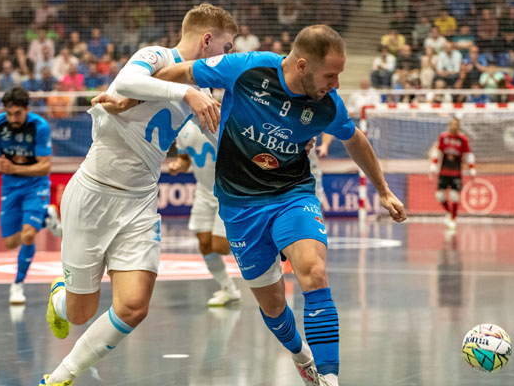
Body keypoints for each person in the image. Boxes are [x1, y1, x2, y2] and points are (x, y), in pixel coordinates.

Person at [154, 24, 407, 386]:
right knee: (272, 306)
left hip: (292, 194)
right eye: (330, 75)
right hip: (240, 204)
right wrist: (134, 93)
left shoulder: (326, 105)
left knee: (315, 273)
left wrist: (382, 189)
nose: (335, 84)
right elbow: (180, 72)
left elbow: (355, 140)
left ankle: (330, 379)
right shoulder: (246, 68)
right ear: (302, 65)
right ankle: (302, 357)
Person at [39, 4, 237, 386]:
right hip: (93, 194)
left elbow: (224, 141)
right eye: (226, 48)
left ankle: (61, 377)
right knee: (79, 312)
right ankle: (59, 297)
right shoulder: (156, 55)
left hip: (140, 203)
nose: (226, 57)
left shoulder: (208, 89)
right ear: (207, 39)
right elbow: (128, 82)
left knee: (133, 306)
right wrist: (187, 93)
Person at [0, 87, 61, 305]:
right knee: (12, 242)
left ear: (27, 110)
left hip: (35, 185)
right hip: (10, 187)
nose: (13, 119)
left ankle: (17, 285)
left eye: (18, 114)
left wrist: (13, 168)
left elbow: (45, 167)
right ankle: (46, 216)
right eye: (9, 113)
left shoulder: (39, 127)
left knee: (28, 236)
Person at [168, 119, 242, 306]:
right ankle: (229, 290)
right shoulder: (182, 126)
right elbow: (185, 160)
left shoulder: (221, 119)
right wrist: (178, 165)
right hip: (203, 191)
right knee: (205, 244)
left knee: (221, 246)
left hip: (228, 192)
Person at [429, 117, 475, 230]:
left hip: (456, 172)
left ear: (458, 126)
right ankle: (449, 213)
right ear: (449, 125)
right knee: (439, 196)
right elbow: (438, 151)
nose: (454, 126)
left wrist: (472, 169)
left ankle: (453, 219)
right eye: (452, 124)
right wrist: (433, 165)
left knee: (454, 196)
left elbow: (468, 155)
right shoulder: (443, 137)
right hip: (444, 171)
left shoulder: (463, 139)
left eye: (456, 124)